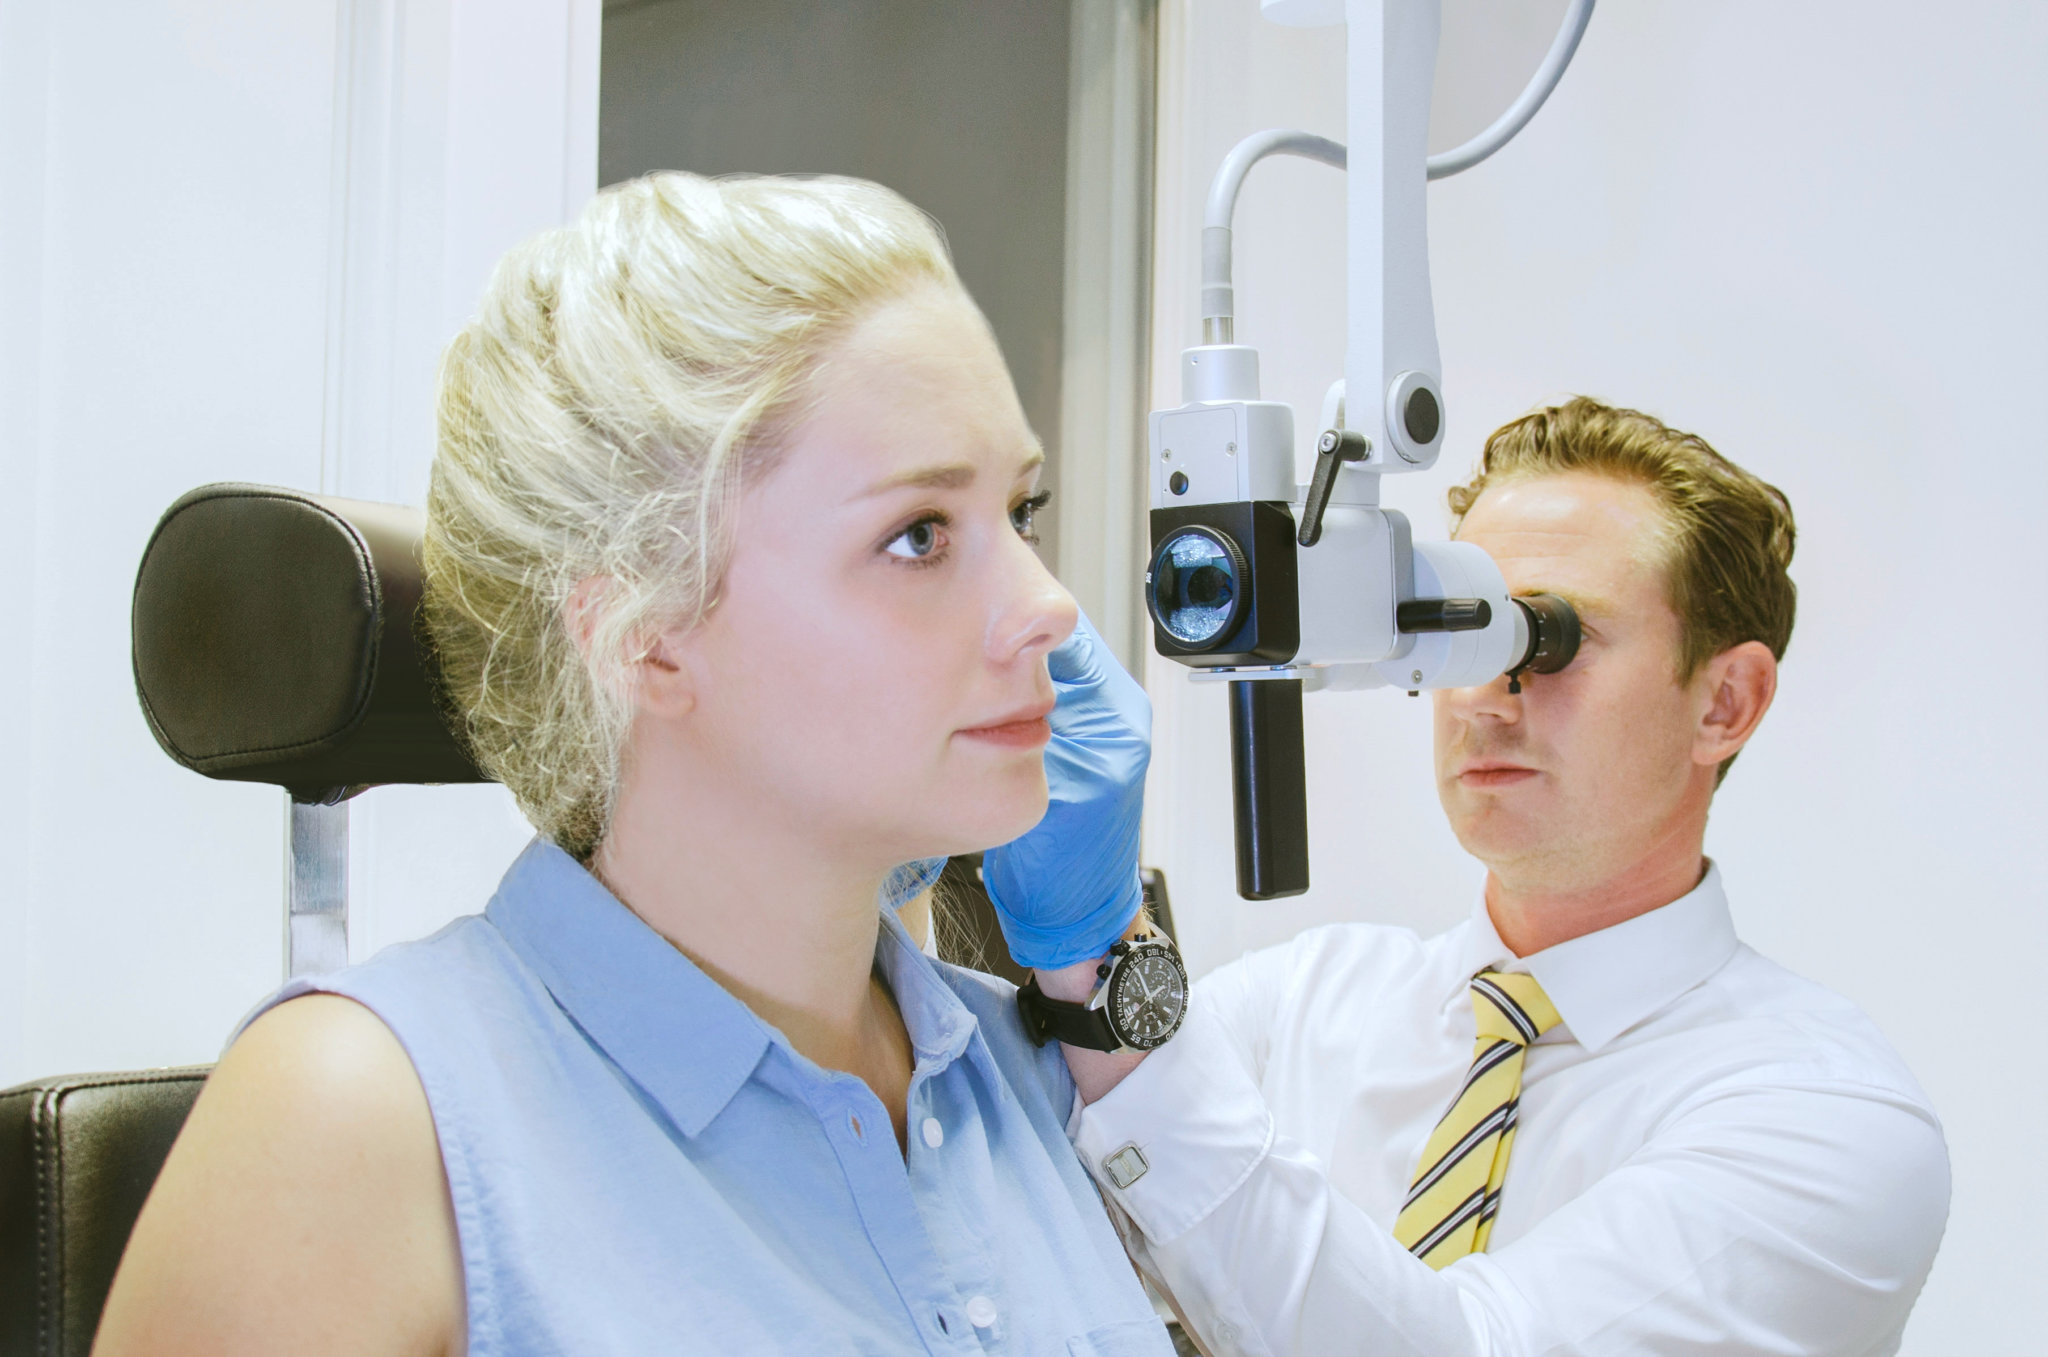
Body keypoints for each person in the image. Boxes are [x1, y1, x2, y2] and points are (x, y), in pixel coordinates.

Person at [94, 173, 1172, 1356]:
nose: (1050, 609)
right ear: (645, 635)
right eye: (917, 535)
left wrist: (1097, 973)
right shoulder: (356, 1125)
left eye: (1021, 513)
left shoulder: (1027, 1082)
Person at [1004, 399, 1951, 1356]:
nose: (1478, 696)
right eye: (1452, 630)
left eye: (1543, 638)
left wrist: (1102, 954)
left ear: (1725, 701)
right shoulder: (1301, 1005)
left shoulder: (1828, 1122)